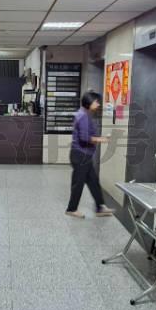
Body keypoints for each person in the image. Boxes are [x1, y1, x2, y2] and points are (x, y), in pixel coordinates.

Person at [65, 91, 115, 219]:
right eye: (96, 102)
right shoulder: (83, 116)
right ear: (89, 102)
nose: (98, 104)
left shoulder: (83, 113)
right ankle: (71, 209)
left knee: (93, 182)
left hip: (83, 155)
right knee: (78, 183)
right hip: (80, 155)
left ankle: (100, 207)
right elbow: (84, 138)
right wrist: (102, 139)